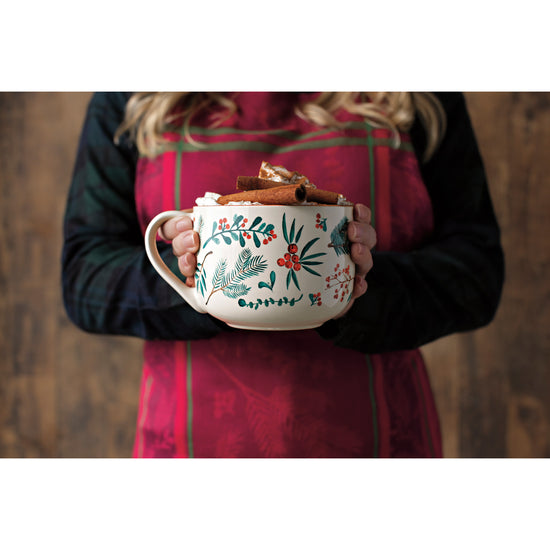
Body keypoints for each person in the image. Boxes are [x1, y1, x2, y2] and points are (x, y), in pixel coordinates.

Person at [62, 92, 504, 458]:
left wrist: (352, 283)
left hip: (380, 448)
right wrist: (197, 281)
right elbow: (84, 281)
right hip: (189, 451)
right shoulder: (131, 96)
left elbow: (478, 275)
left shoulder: (420, 92)